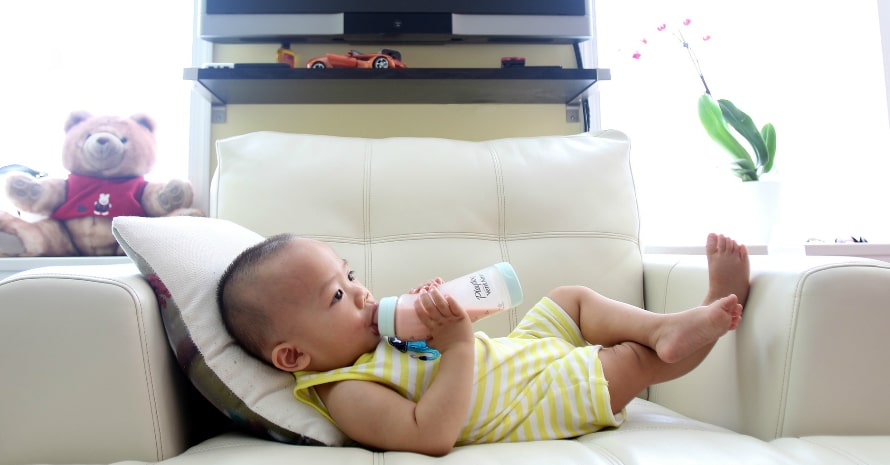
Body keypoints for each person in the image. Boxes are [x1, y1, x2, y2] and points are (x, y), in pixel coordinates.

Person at [217, 233, 749, 456]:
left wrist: (434, 314)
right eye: (337, 294)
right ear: (293, 356)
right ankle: (693, 324)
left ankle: (664, 324)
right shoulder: (346, 389)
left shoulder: (374, 339)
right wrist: (458, 344)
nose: (362, 292)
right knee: (631, 361)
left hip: (522, 351)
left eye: (351, 275)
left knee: (571, 299)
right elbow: (431, 436)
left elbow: (434, 346)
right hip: (537, 399)